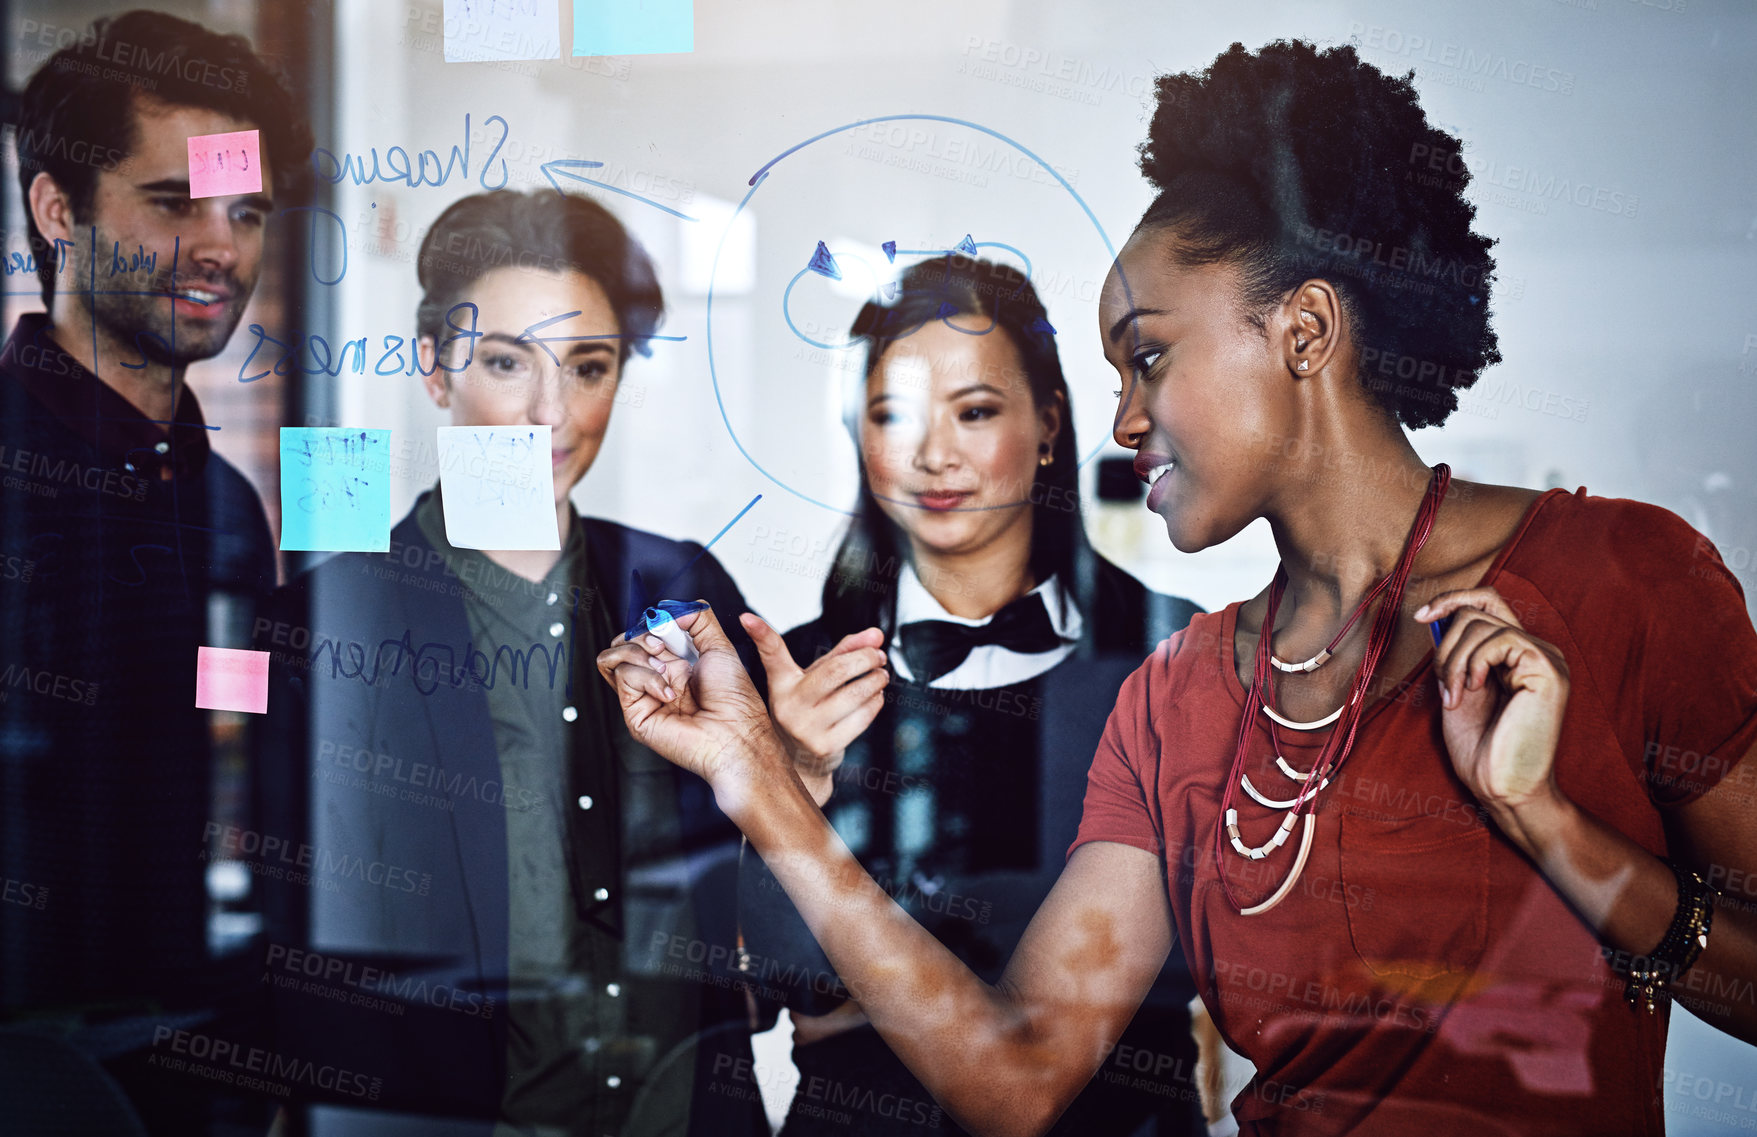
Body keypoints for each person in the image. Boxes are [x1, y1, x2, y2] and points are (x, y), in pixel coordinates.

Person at [598, 39, 1757, 1137]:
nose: (1124, 419)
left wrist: (1544, 820)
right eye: (1111, 374)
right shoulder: (1178, 691)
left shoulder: (1620, 577)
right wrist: (766, 784)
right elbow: (1016, 1082)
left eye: (1147, 357)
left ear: (1303, 329)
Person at [258, 187, 770, 1137]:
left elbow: (751, 857)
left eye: (588, 365)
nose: (550, 411)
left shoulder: (685, 586)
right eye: (506, 362)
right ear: (432, 367)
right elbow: (288, 938)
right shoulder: (330, 618)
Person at [733, 254, 1206, 1134]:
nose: (933, 455)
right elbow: (760, 990)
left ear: (1049, 425)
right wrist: (791, 785)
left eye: (976, 411)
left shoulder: (1177, 653)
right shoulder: (786, 676)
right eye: (893, 416)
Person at [0, 9, 312, 1132]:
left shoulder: (222, 506)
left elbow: (224, 750)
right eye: (173, 203)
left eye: (244, 211)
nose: (220, 248)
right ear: (58, 210)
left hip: (210, 1068)